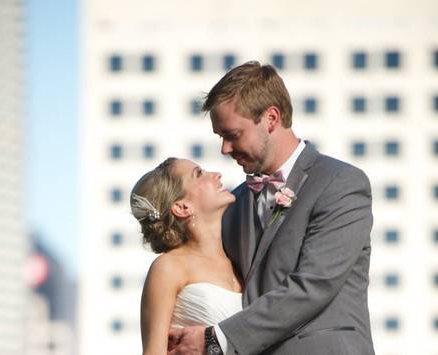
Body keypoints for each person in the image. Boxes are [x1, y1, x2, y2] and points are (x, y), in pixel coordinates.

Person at [168, 61, 375, 355]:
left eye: (232, 134)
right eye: (220, 137)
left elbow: (314, 285)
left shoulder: (341, 183)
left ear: (271, 118)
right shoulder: (232, 204)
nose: (224, 149)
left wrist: (216, 340)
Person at [131, 157, 244, 355]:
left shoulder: (242, 256)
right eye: (199, 174)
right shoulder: (168, 267)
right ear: (182, 207)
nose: (216, 175)